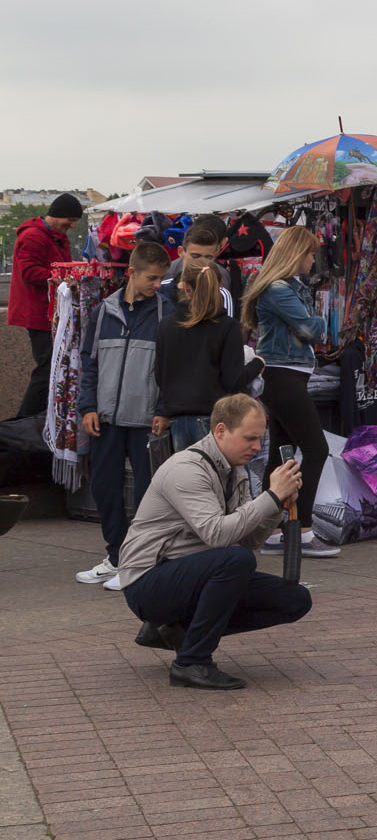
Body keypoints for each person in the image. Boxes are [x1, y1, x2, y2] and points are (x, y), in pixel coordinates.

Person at [119, 393, 312, 690]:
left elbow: (246, 541)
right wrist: (271, 496)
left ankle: (182, 630)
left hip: (189, 574)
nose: (257, 447)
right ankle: (191, 662)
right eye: (250, 438)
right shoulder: (186, 468)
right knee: (237, 561)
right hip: (147, 581)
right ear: (221, 430)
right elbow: (218, 534)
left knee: (295, 599)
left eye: (261, 439)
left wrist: (277, 508)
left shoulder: (236, 470)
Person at [73, 240, 173, 590]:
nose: (156, 284)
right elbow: (90, 364)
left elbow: (170, 370)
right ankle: (116, 556)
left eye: (161, 278)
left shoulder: (166, 312)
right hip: (106, 419)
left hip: (146, 419)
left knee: (148, 493)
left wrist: (163, 410)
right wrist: (86, 407)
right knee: (105, 488)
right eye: (151, 277)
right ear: (131, 273)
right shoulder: (103, 312)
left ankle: (138, 561)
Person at [242, 227, 339, 560]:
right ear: (297, 254)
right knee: (316, 448)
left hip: (285, 376)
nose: (314, 260)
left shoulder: (284, 288)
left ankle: (272, 530)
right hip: (283, 375)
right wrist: (320, 321)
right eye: (311, 254)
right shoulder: (279, 290)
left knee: (281, 455)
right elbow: (311, 329)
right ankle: (302, 530)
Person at [156, 264, 263, 451]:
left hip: (178, 421)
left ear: (186, 288)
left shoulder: (166, 325)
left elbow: (159, 376)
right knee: (220, 478)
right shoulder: (227, 326)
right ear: (218, 286)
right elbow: (233, 379)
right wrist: (257, 364)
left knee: (188, 478)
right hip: (214, 419)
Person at [8, 191, 80, 418]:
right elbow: (29, 272)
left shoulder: (56, 236)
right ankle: (24, 419)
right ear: (59, 215)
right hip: (37, 313)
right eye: (70, 220)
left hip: (51, 312)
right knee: (48, 365)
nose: (72, 225)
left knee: (52, 366)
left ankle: (38, 417)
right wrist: (61, 276)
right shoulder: (33, 236)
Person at [162, 215, 237, 314]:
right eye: (195, 256)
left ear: (216, 253)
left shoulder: (221, 292)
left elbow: (228, 326)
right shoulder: (162, 289)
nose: (202, 262)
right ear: (180, 252)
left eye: (208, 257)